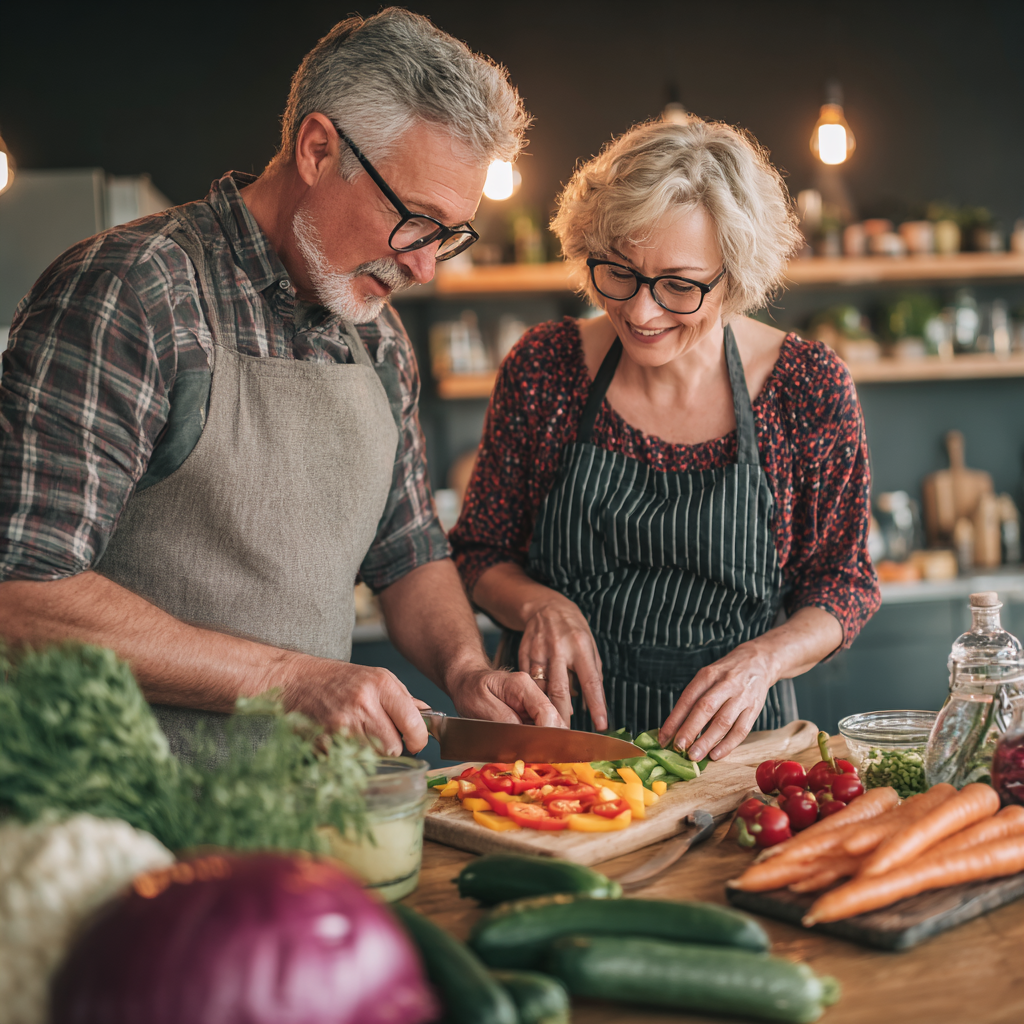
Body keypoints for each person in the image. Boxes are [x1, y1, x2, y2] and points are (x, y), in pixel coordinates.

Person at [0, 9, 565, 762]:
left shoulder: (380, 335)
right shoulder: (135, 289)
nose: (426, 267)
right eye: (416, 221)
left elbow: (407, 553)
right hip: (118, 814)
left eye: (450, 235)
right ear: (318, 148)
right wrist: (288, 680)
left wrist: (466, 670)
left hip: (310, 810)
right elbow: (21, 590)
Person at [449, 117, 880, 762]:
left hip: (736, 753)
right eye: (618, 272)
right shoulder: (545, 367)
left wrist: (764, 659)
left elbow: (842, 584)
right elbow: (479, 550)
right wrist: (539, 605)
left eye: (679, 285)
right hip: (556, 745)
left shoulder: (807, 389)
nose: (642, 313)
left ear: (734, 278)